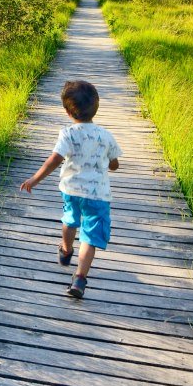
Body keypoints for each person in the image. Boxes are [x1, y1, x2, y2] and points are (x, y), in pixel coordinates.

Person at [20, 80, 121, 298]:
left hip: (72, 190)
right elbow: (114, 164)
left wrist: (34, 180)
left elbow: (54, 160)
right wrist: (108, 163)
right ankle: (79, 279)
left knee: (70, 219)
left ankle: (65, 250)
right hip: (98, 195)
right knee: (90, 237)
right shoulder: (105, 135)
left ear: (67, 111)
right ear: (97, 106)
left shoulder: (67, 134)